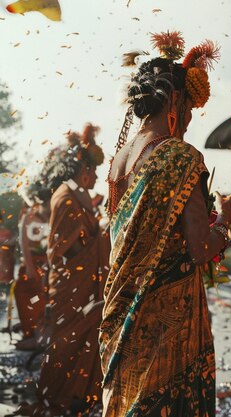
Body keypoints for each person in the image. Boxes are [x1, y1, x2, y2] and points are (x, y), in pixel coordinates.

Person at [100, 32, 231, 417]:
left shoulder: (117, 162)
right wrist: (225, 220)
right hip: (168, 326)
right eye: (191, 107)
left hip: (121, 311)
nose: (192, 118)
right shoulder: (179, 157)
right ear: (175, 100)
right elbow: (200, 249)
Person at [18, 124, 110, 416]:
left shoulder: (79, 195)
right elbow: (57, 248)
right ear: (83, 168)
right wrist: (97, 235)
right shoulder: (65, 196)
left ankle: (78, 396)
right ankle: (58, 397)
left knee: (85, 338)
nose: (96, 176)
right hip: (71, 284)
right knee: (65, 342)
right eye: (93, 170)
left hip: (85, 284)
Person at [13, 181, 51, 350]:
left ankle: (40, 335)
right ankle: (30, 331)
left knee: (42, 294)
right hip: (30, 262)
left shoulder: (51, 216)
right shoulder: (29, 216)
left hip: (46, 263)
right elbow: (23, 242)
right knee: (21, 290)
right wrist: (29, 266)